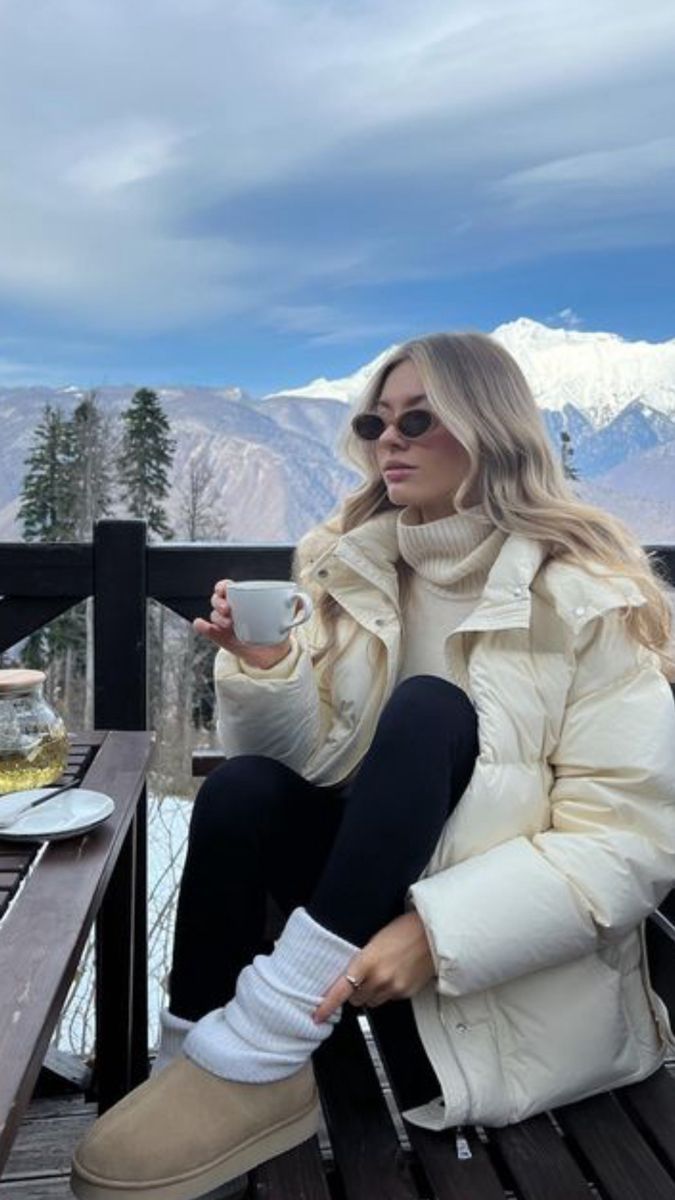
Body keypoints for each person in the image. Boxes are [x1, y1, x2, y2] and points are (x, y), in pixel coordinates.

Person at [71, 331, 675, 1200]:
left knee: (431, 710)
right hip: (353, 925)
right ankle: (202, 1055)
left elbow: (624, 844)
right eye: (374, 422)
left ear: (491, 431)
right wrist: (268, 669)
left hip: (485, 973)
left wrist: (435, 935)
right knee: (242, 790)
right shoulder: (355, 563)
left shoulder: (581, 596)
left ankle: (265, 1036)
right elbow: (307, 766)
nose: (387, 440)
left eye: (418, 420)